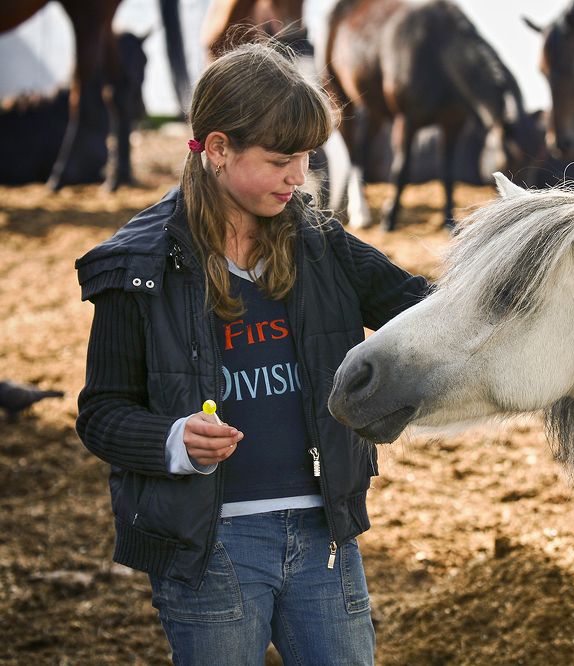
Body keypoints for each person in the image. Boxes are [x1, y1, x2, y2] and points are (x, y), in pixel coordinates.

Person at [75, 41, 428, 665]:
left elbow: (428, 316)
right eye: (281, 159)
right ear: (216, 150)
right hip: (209, 548)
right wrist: (172, 440)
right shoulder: (136, 267)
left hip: (326, 538)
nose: (300, 176)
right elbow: (101, 412)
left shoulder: (324, 245)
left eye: (307, 157)